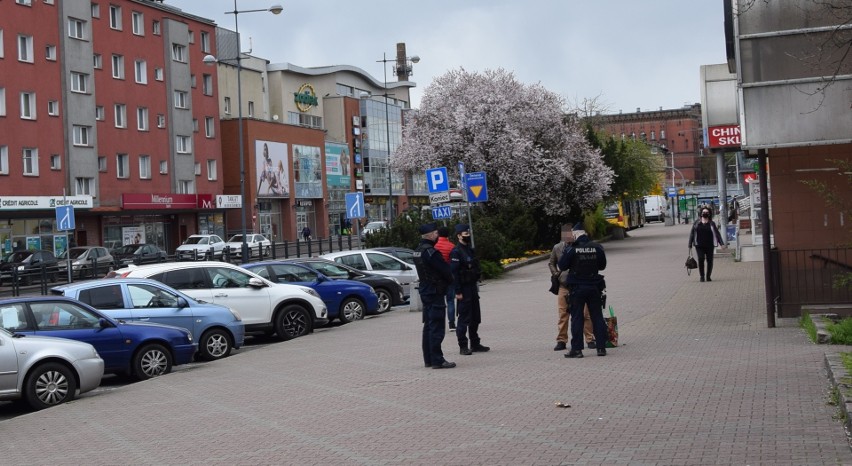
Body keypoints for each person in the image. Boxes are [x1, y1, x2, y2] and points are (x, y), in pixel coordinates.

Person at [558, 221, 609, 358]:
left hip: (577, 288)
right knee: (597, 316)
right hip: (594, 287)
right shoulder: (597, 247)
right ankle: (601, 348)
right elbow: (602, 266)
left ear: (575, 234)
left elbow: (562, 265)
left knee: (577, 318)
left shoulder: (572, 248)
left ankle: (577, 350)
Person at [412, 223, 456, 369]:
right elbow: (445, 270)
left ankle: (429, 359)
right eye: (436, 234)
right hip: (435, 291)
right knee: (436, 326)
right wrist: (451, 281)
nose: (437, 236)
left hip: (425, 291)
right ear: (430, 235)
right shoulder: (431, 252)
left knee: (428, 326)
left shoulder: (417, 251)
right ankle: (437, 359)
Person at [548, 224, 594, 351]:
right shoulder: (557, 247)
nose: (568, 236)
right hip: (564, 285)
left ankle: (589, 339)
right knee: (563, 314)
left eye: (570, 233)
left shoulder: (577, 247)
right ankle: (561, 340)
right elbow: (551, 262)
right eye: (565, 234)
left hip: (578, 284)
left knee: (585, 314)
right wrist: (555, 273)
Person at [451, 224, 490, 356]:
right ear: (458, 236)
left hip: (472, 287)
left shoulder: (470, 250)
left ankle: (475, 343)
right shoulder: (456, 252)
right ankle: (463, 346)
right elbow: (454, 274)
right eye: (465, 234)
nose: (467, 236)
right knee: (464, 318)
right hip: (463, 288)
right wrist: (457, 291)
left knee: (475, 317)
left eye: (468, 233)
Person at [688, 206, 725, 282]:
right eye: (703, 212)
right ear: (701, 214)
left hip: (709, 245)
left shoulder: (712, 223)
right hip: (699, 245)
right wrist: (690, 244)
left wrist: (721, 243)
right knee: (701, 259)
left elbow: (717, 234)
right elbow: (692, 233)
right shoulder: (696, 223)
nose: (705, 214)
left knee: (710, 261)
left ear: (709, 214)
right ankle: (702, 276)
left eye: (707, 213)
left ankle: (708, 276)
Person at [433, 226, 456, 329]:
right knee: (450, 300)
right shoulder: (452, 246)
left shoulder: (434, 246)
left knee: (439, 301)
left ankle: (440, 323)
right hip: (450, 276)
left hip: (438, 278)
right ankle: (452, 323)